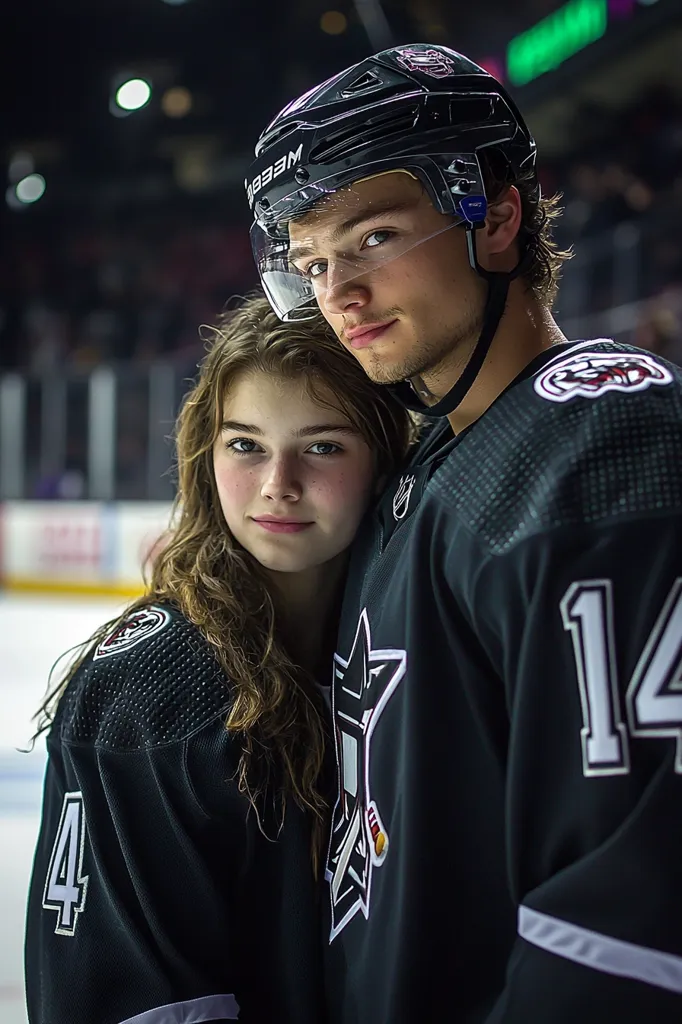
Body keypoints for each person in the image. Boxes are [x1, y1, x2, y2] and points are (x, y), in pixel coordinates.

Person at [246, 43, 682, 1023]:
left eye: (371, 239)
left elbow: (630, 903)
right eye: (313, 263)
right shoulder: (425, 467)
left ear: (495, 215)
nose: (338, 296)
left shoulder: (603, 444)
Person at [24, 293, 413, 1024]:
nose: (278, 484)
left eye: (323, 446)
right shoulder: (150, 690)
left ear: (384, 456)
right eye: (246, 445)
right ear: (206, 453)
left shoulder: (399, 645)